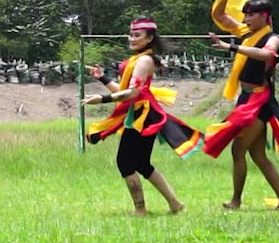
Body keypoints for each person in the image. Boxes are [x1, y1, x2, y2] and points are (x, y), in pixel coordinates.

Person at [204, 0, 279, 210]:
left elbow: (266, 54)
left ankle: (236, 201)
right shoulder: (246, 33)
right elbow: (219, 15)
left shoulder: (273, 38)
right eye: (245, 15)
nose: (246, 19)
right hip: (247, 99)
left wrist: (231, 47)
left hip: (259, 101)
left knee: (238, 150)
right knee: (257, 155)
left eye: (251, 15)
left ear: (264, 17)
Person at [82, 17, 201, 216]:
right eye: (131, 34)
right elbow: (124, 90)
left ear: (150, 38)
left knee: (125, 162)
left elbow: (132, 93)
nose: (132, 38)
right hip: (140, 114)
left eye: (137, 35)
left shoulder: (144, 60)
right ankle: (175, 203)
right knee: (141, 164)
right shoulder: (138, 59)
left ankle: (141, 209)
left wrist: (102, 99)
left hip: (142, 116)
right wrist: (102, 78)